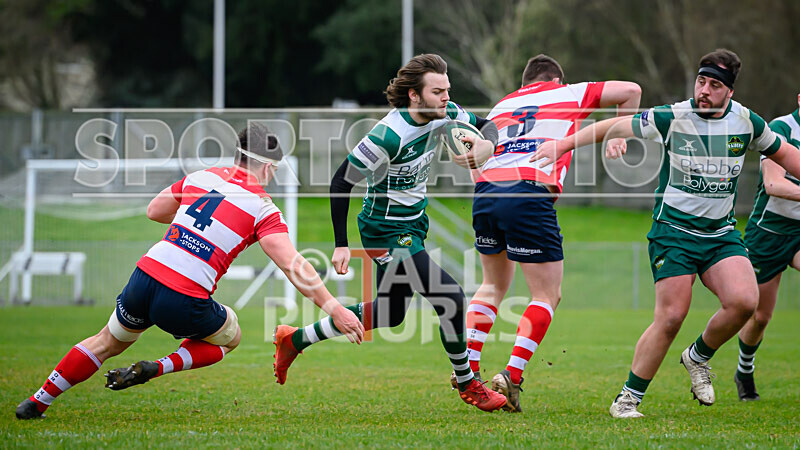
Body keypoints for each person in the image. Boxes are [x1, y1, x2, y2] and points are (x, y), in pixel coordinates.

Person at [15, 124, 364, 420]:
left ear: (238, 157)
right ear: (270, 167)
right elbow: (293, 265)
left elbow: (155, 210)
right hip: (183, 296)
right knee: (231, 335)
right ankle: (157, 366)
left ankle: (37, 401)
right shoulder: (262, 208)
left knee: (105, 342)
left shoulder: (200, 177)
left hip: (144, 277)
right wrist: (335, 308)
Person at [531, 49, 800, 418]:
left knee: (744, 301)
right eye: (701, 81)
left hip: (720, 235)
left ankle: (698, 357)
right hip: (673, 232)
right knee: (672, 316)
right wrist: (563, 144)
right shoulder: (673, 116)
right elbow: (612, 126)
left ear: (730, 92)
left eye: (715, 85)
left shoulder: (747, 123)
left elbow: (786, 154)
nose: (704, 90)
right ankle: (627, 398)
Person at [272, 53, 508, 412]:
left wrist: (486, 145)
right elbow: (340, 182)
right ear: (414, 95)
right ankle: (468, 384)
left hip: (413, 224)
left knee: (391, 312)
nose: (446, 97)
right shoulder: (387, 135)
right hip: (383, 230)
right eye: (438, 91)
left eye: (448, 90)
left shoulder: (446, 112)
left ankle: (294, 339)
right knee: (449, 296)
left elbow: (487, 123)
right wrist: (340, 244)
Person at [454, 54, 641, 412]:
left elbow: (477, 159)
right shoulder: (568, 93)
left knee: (491, 286)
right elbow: (631, 90)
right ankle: (512, 375)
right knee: (547, 294)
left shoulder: (502, 105)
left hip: (487, 192)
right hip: (529, 191)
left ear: (525, 82)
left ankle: (468, 369)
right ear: (556, 80)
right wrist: (621, 133)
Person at [735, 93, 800, 401]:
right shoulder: (782, 129)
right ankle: (744, 369)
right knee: (760, 316)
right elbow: (774, 184)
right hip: (769, 231)